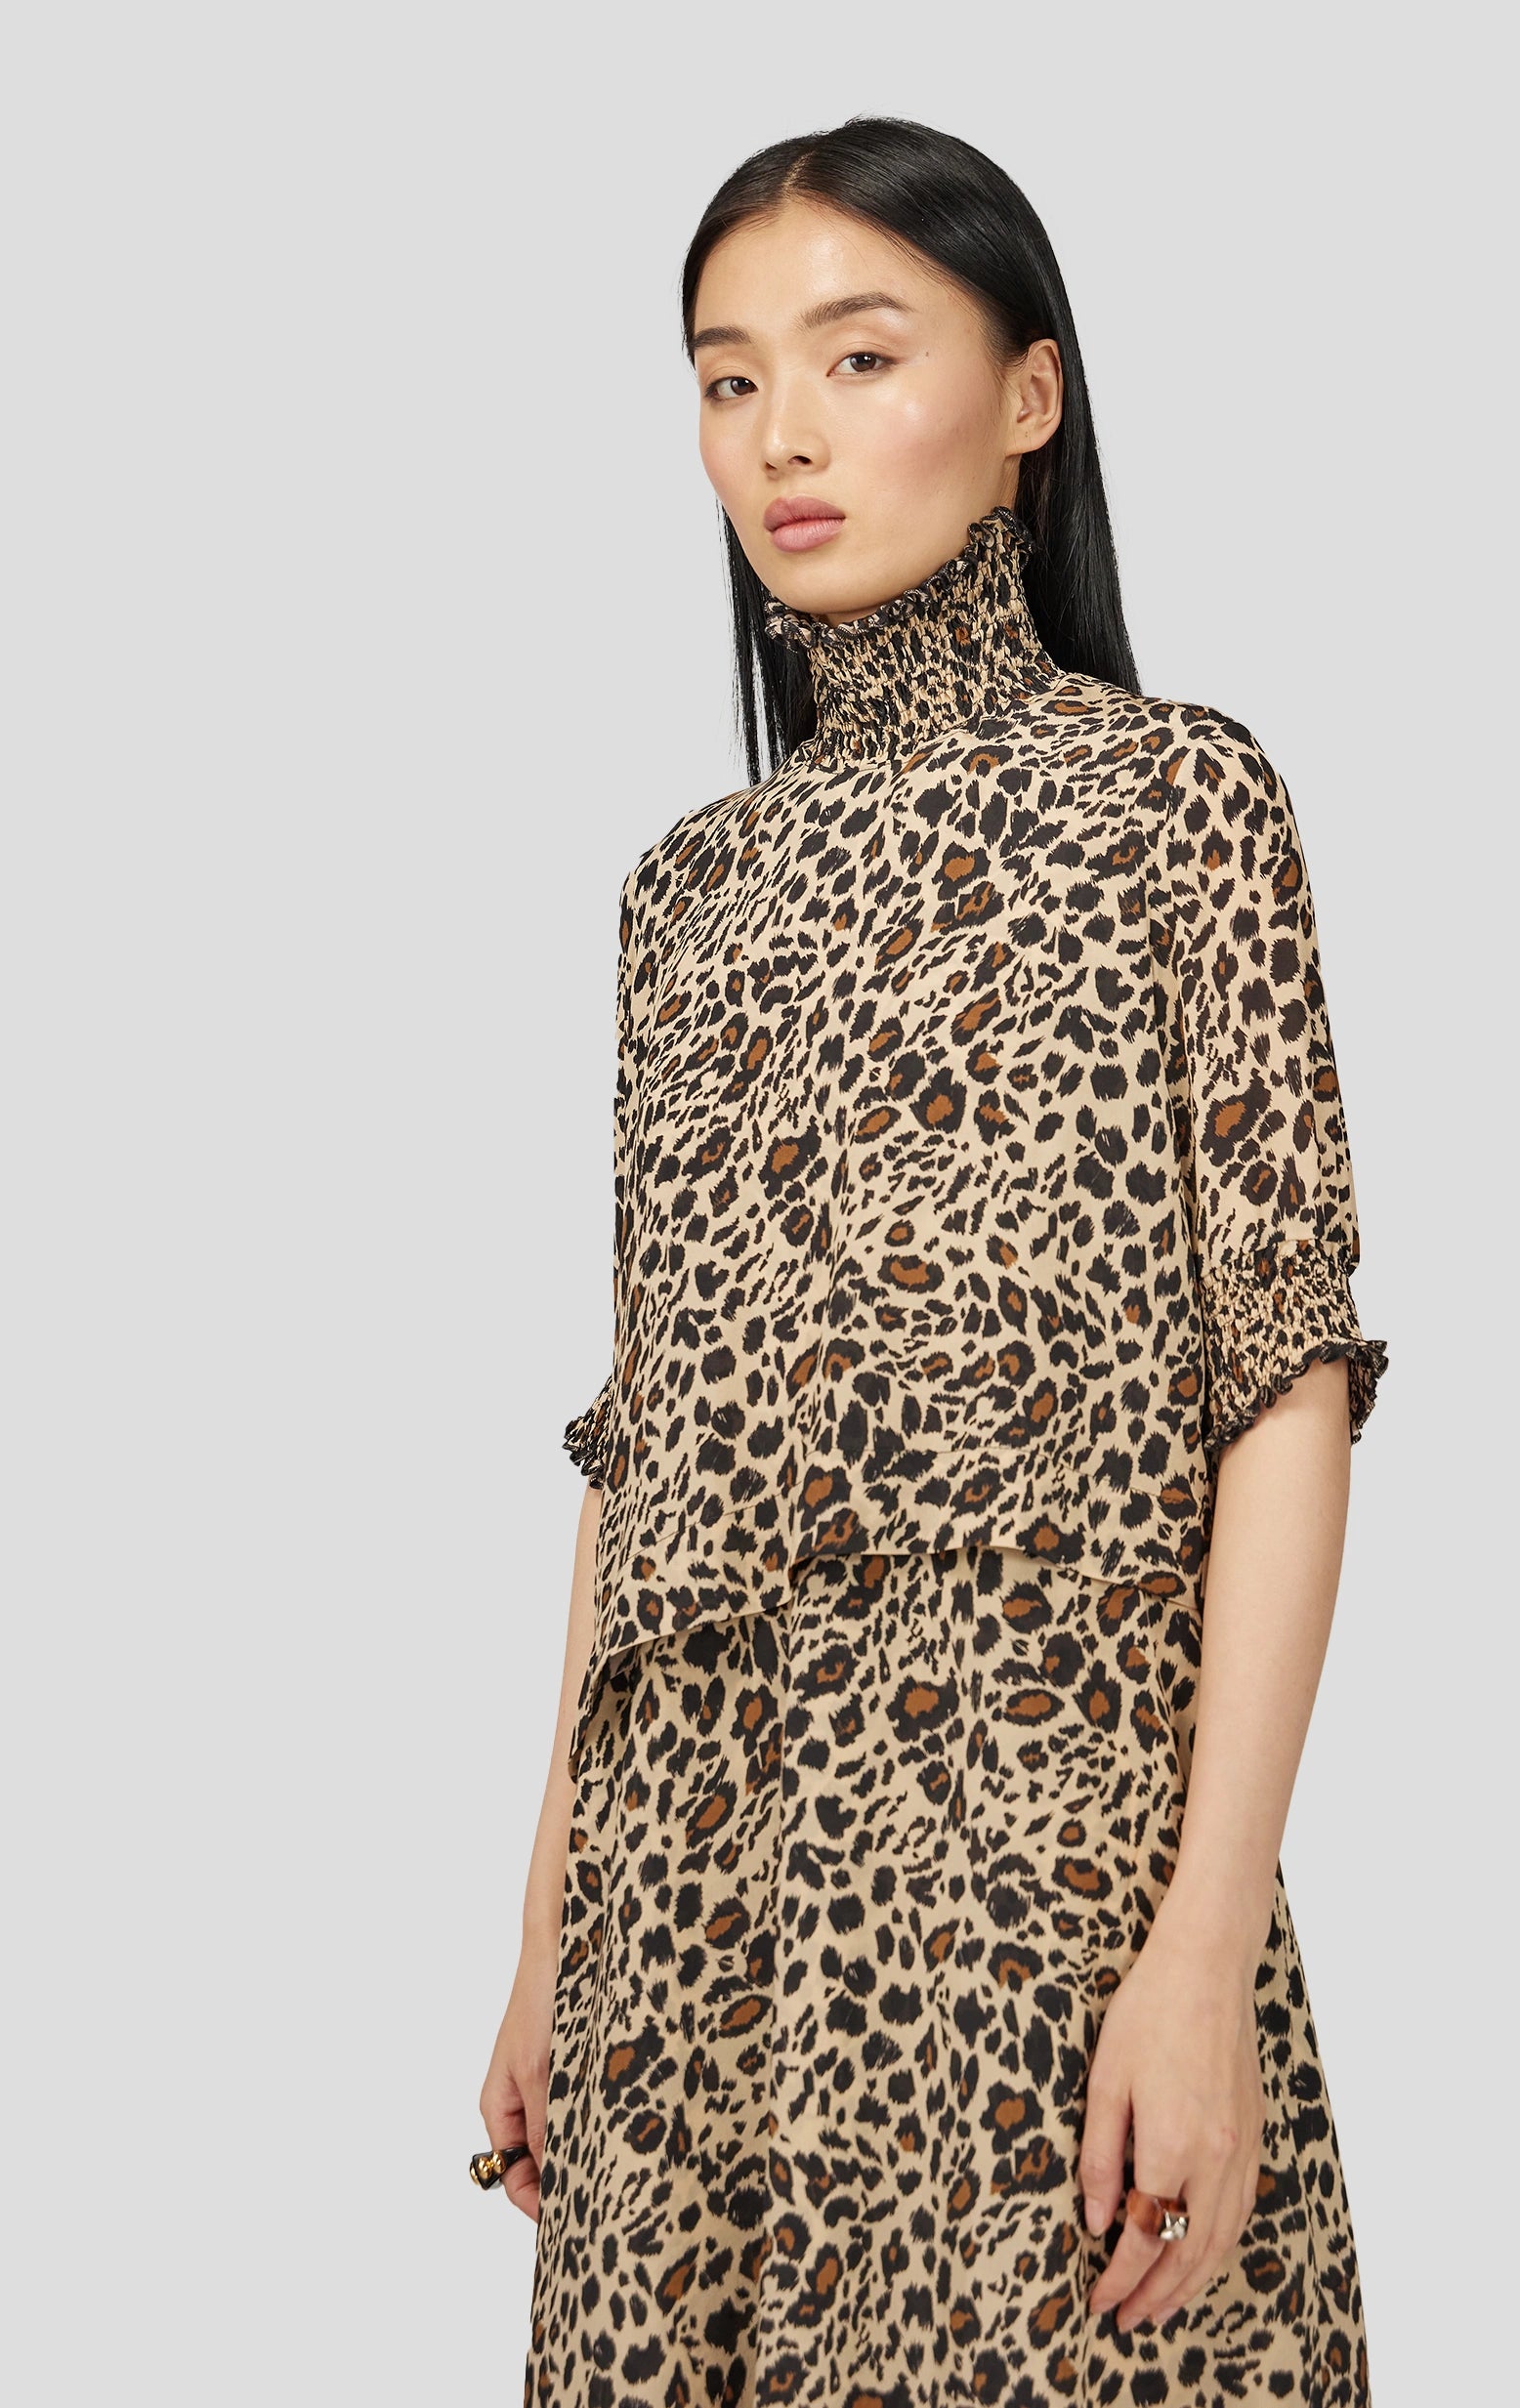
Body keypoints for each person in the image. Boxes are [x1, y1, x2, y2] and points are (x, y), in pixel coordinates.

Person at [481, 115, 1389, 2408]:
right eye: (725, 379)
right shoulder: (678, 902)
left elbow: (1281, 1387)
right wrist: (545, 1934)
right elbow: (639, 1451)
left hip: (1040, 1901)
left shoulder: (1176, 803)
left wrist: (1198, 1950)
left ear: (1026, 398)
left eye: (856, 356)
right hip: (686, 1929)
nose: (779, 434)